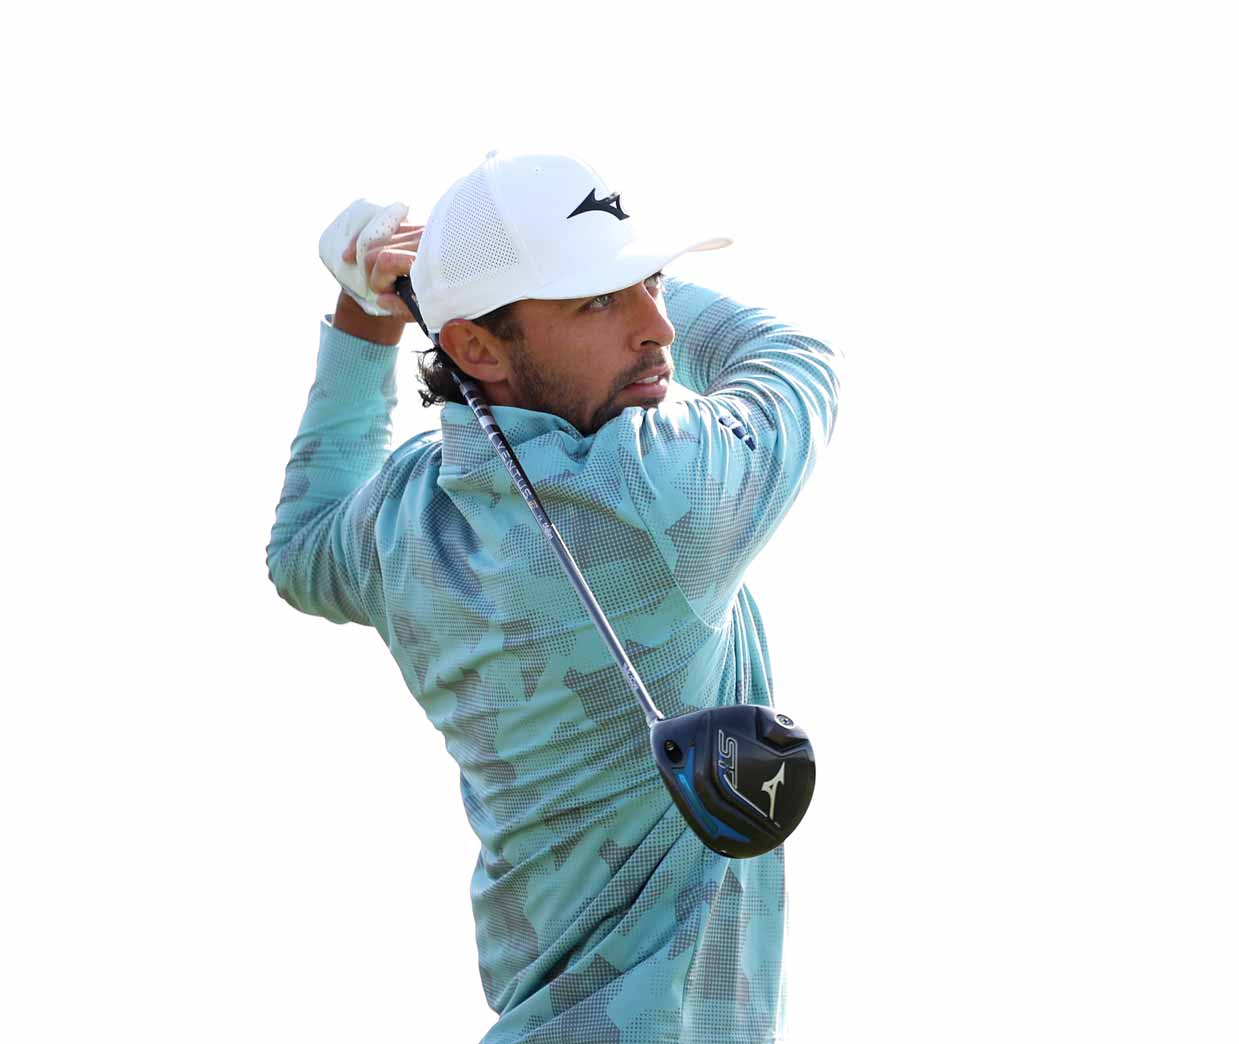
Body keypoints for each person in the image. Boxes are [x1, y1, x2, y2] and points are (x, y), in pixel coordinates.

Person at [267, 151, 842, 1044]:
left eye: (652, 284)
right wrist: (419, 289)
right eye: (597, 301)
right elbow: (790, 358)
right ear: (474, 347)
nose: (657, 327)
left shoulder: (408, 515)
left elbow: (302, 547)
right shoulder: (668, 485)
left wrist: (366, 311)